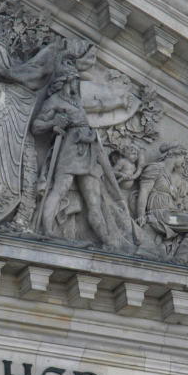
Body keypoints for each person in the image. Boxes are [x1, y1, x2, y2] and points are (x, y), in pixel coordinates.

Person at [31, 64, 125, 249]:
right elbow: (36, 125)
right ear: (66, 80)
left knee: (94, 201)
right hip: (70, 149)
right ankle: (47, 230)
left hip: (88, 151)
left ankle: (106, 241)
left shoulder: (76, 101)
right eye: (75, 79)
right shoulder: (55, 101)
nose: (77, 83)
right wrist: (54, 122)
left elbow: (96, 109)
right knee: (59, 189)